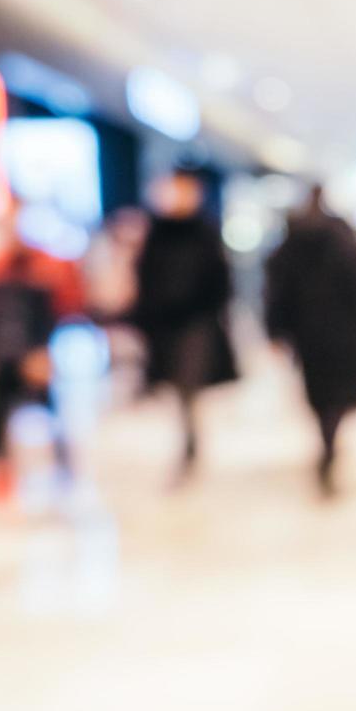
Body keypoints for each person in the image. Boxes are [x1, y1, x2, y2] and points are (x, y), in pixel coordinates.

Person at [265, 187, 356, 498]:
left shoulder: (294, 242)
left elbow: (278, 291)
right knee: (339, 395)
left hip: (309, 334)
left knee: (319, 395)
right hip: (342, 333)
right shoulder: (344, 240)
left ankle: (326, 440)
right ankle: (330, 441)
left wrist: (277, 330)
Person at [131, 168, 237, 486]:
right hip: (165, 325)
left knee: (189, 382)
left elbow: (220, 279)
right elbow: (145, 278)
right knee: (176, 385)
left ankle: (190, 442)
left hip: (196, 323)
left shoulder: (204, 231)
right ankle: (188, 435)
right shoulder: (157, 232)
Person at [0, 217, 86, 498]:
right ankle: (1, 476)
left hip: (32, 356)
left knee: (52, 415)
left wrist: (41, 354)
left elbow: (50, 318)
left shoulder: (42, 273)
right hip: (2, 358)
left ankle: (66, 471)